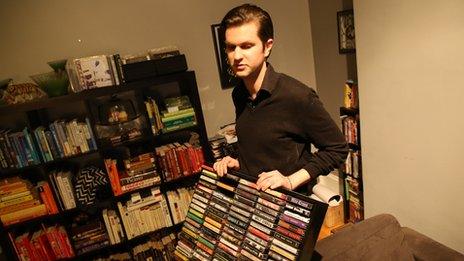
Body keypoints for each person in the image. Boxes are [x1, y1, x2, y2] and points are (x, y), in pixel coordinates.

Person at [213, 4, 348, 195]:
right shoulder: (239, 94)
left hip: (291, 209)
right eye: (230, 47)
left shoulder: (297, 96)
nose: (236, 56)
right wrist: (238, 162)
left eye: (246, 46)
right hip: (255, 202)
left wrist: (290, 181)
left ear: (267, 47)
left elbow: (338, 149)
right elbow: (263, 147)